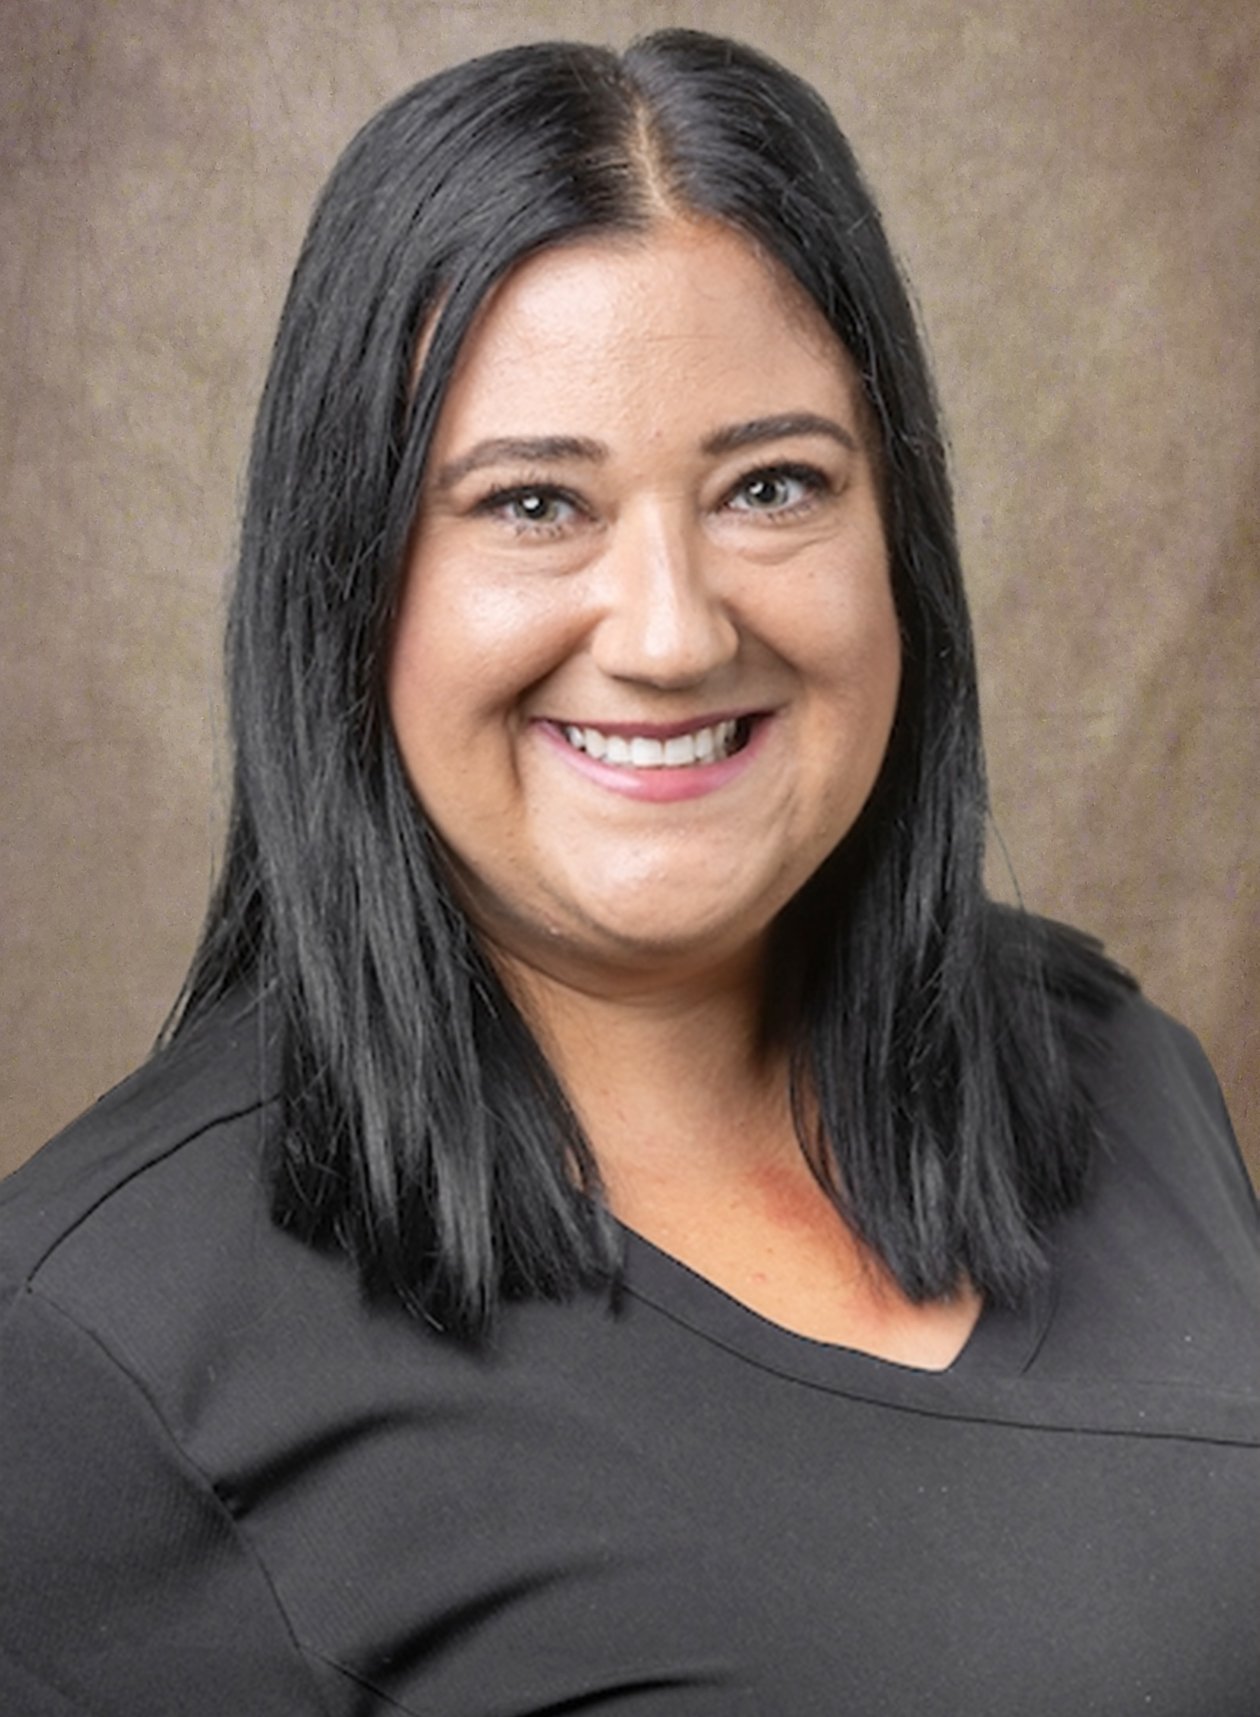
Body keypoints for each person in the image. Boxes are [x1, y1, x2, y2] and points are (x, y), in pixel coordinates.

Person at [1, 28, 1256, 1716]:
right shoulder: (98, 1361)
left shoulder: (1123, 1073)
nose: (672, 632)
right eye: (532, 506)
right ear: (346, 588)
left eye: (773, 485)